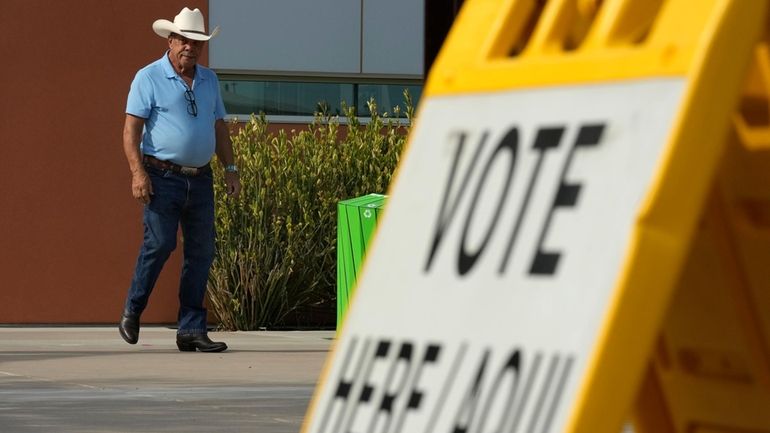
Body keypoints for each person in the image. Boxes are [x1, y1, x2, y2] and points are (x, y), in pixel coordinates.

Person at [118, 7, 241, 352]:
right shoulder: (149, 77)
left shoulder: (209, 79)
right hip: (161, 176)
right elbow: (131, 131)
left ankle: (191, 329)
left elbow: (219, 127)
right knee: (159, 245)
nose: (190, 47)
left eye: (197, 42)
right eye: (184, 40)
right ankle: (134, 308)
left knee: (201, 252)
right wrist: (137, 173)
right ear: (171, 41)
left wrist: (231, 169)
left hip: (201, 179)